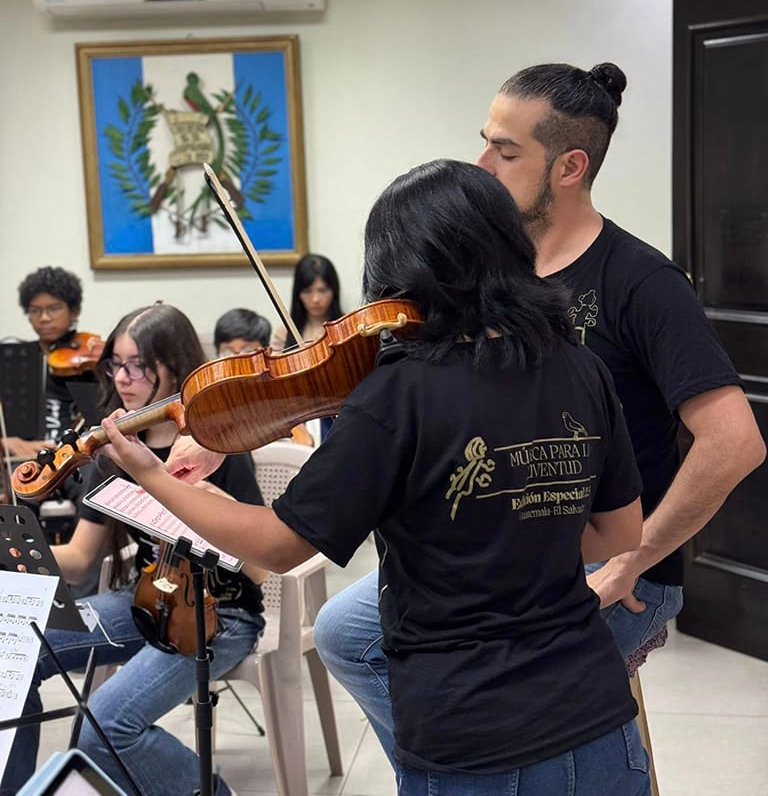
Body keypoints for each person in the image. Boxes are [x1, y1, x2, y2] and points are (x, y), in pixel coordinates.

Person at [101, 159, 650, 795]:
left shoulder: (401, 392)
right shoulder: (582, 367)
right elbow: (619, 531)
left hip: (475, 740)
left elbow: (278, 545)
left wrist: (155, 477)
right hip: (600, 720)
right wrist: (517, 531)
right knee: (343, 632)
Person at [308, 61, 766, 765]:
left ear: (569, 166)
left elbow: (735, 443)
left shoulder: (641, 282)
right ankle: (454, 774)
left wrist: (630, 560)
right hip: (497, 549)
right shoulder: (489, 276)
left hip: (603, 558)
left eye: (507, 150)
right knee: (346, 632)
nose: (481, 164)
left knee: (502, 708)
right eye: (485, 141)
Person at [0, 303, 266, 796]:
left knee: (104, 729)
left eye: (139, 365)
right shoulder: (115, 444)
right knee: (9, 650)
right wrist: (11, 542)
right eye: (116, 364)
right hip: (141, 600)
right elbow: (79, 559)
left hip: (220, 614)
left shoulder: (215, 442)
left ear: (174, 366)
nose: (123, 378)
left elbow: (258, 571)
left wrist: (211, 500)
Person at [3, 266, 97, 462]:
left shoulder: (89, 359)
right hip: (26, 461)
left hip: (77, 460)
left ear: (74, 311)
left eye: (53, 308)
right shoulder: (14, 358)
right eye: (35, 310)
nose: (44, 318)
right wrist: (5, 441)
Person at [270, 253, 342, 352]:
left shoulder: (345, 328)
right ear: (298, 293)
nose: (315, 299)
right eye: (307, 291)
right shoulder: (284, 334)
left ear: (334, 291)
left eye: (322, 290)